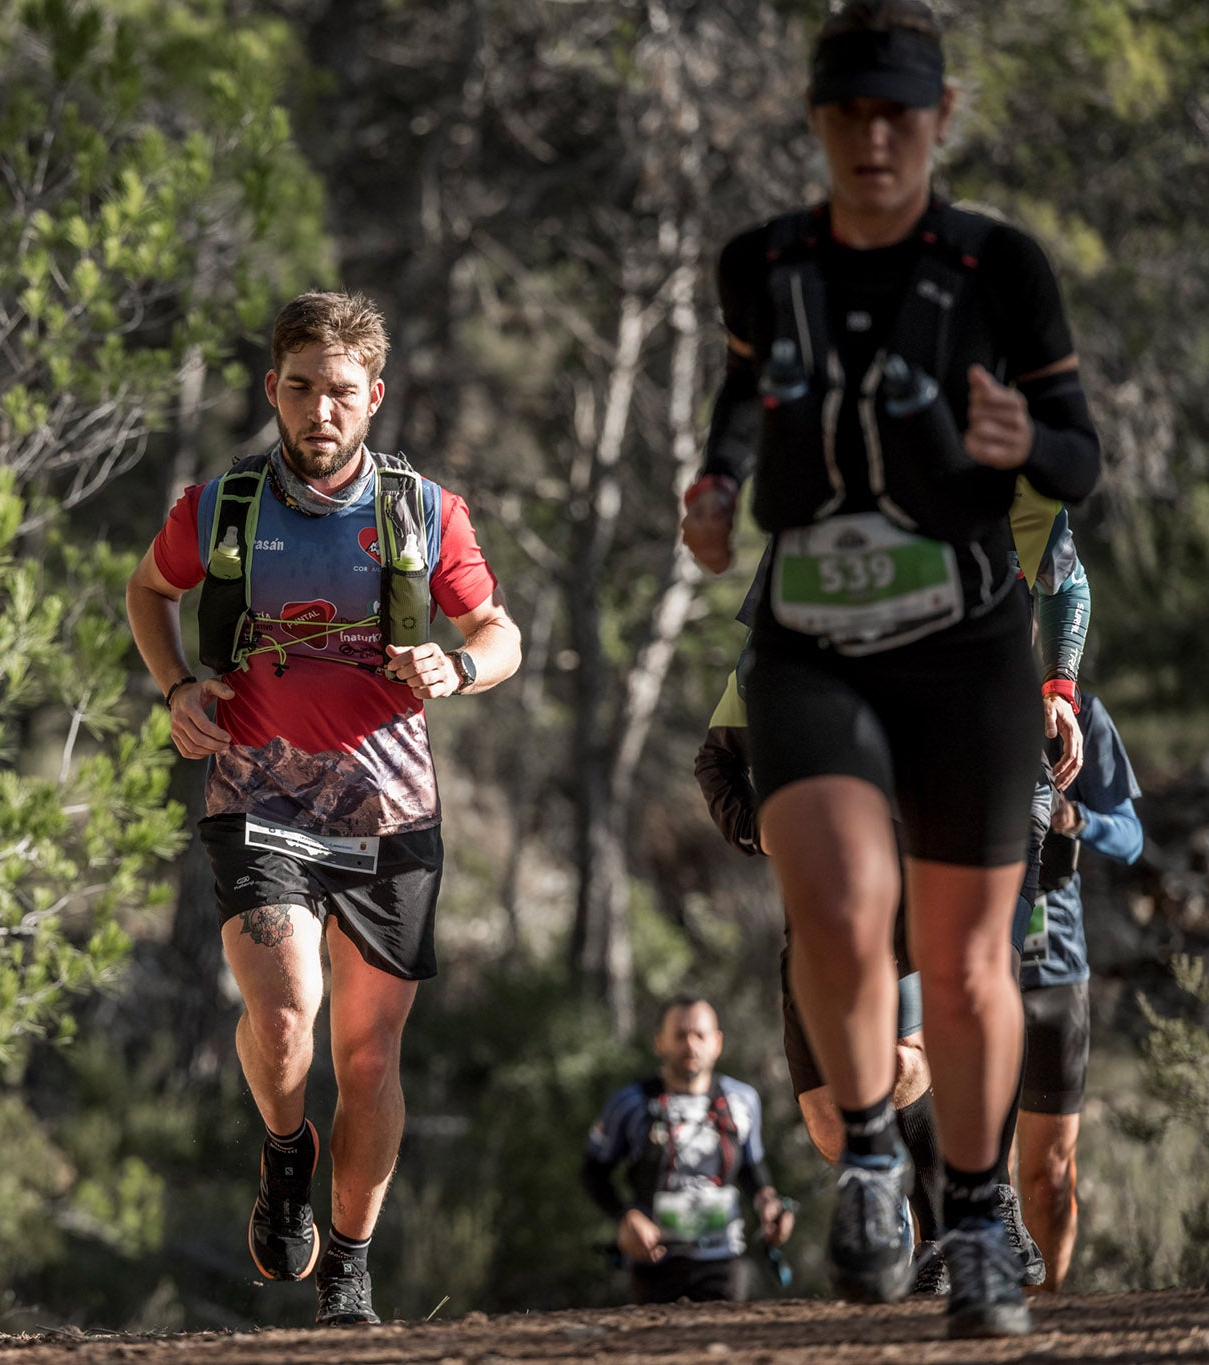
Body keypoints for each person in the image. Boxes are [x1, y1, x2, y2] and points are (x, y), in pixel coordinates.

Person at [679, 0, 1101, 1338]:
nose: (874, 138)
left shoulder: (1000, 267)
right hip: (809, 640)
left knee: (972, 966)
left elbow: (1080, 460)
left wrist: (1021, 434)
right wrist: (716, 481)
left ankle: (975, 1220)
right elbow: (741, 400)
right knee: (838, 904)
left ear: (939, 120)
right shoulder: (765, 263)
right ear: (817, 122)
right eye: (850, 114)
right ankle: (872, 1155)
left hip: (968, 645)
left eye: (899, 116)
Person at [125, 291, 521, 1326]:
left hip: (391, 813)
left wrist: (459, 663)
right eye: (298, 388)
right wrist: (174, 690)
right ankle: (282, 1149)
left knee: (369, 1055)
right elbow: (146, 592)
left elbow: (497, 630)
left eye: (339, 391)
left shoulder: (421, 511)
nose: (318, 411)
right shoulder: (221, 505)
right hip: (258, 794)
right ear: (273, 390)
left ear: (372, 398)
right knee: (284, 1016)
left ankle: (349, 1257)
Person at [1017, 691, 1143, 1291]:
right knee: (946, 1170)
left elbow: (1130, 839)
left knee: (1047, 1179)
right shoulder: (948, 687)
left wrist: (1078, 820)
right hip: (958, 967)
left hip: (1052, 969)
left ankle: (1044, 1318)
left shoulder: (1081, 715)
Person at [583, 997, 794, 1303]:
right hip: (654, 1262)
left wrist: (769, 1206)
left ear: (717, 1042)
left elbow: (751, 1169)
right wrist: (625, 1217)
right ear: (660, 1043)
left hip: (724, 1260)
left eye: (699, 1035)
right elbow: (593, 1174)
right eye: (680, 1036)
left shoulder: (743, 1100)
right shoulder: (629, 1104)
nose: (690, 1045)